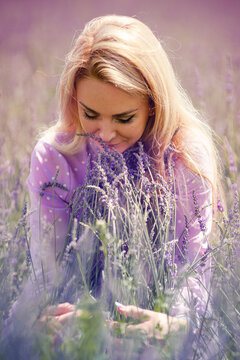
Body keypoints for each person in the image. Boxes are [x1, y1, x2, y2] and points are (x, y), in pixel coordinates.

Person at [26, 15, 221, 339]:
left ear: (153, 106)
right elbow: (46, 271)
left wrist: (171, 326)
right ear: (74, 99)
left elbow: (194, 272)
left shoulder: (186, 156)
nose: (105, 133)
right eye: (91, 114)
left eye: (124, 117)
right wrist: (41, 322)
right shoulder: (55, 158)